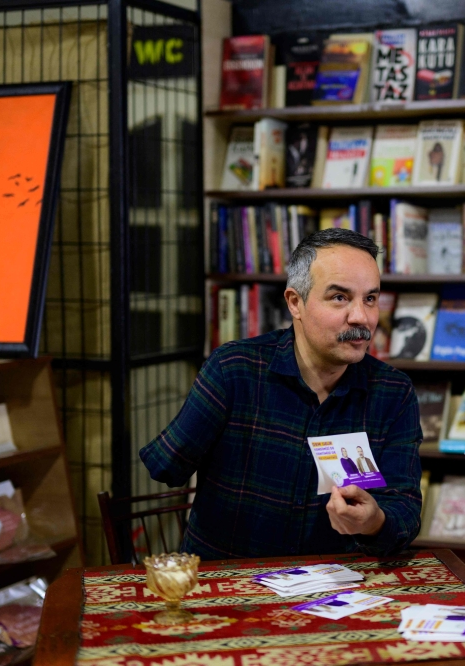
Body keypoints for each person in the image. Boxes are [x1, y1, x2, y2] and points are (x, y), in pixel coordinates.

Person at [140, 228, 422, 559]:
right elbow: (165, 467)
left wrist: (374, 520)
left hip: (330, 586)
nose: (360, 317)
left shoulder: (393, 393)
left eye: (370, 299)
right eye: (339, 298)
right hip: (226, 581)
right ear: (295, 303)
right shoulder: (235, 369)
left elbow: (405, 510)